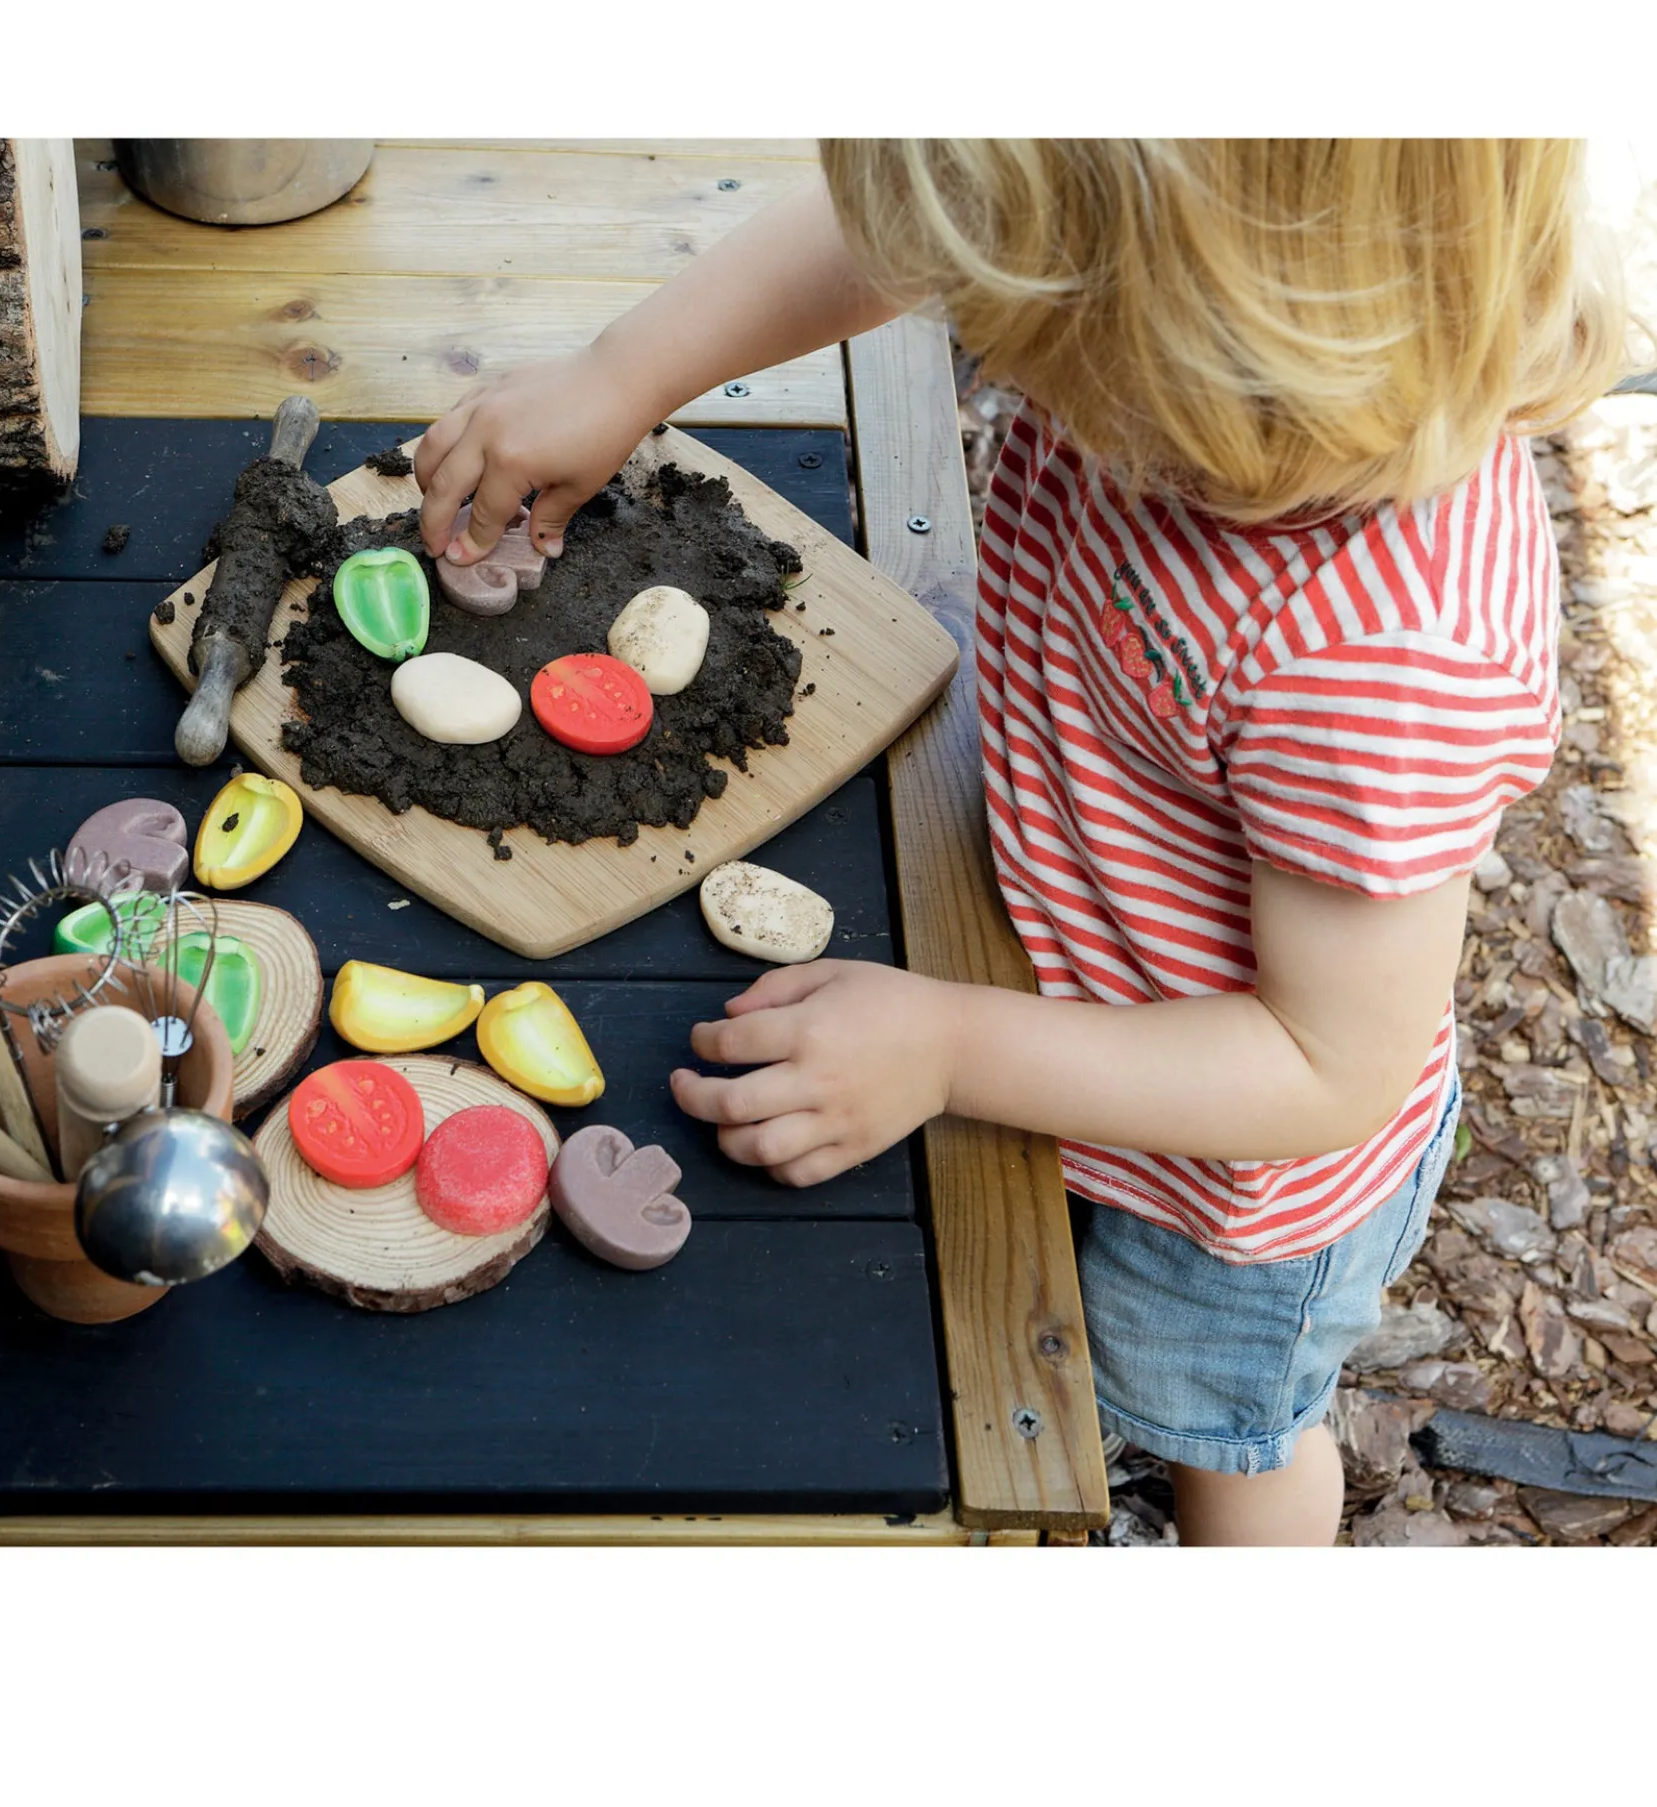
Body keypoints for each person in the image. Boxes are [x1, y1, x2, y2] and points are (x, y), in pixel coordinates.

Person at [412, 141, 1624, 1545]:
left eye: (1029, 328)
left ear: (1199, 342)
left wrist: (950, 1049)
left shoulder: (1381, 660)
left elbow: (1324, 1065)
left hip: (1225, 1188)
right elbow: (899, 224)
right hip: (1070, 963)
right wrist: (624, 375)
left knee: (1225, 1432)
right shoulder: (1194, 340)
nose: (988, 343)